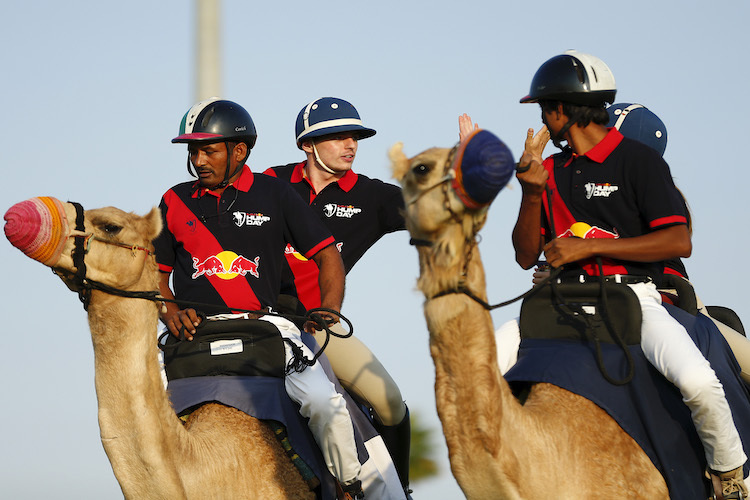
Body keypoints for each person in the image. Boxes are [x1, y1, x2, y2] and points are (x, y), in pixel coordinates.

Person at [513, 51, 747, 497]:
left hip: (633, 299)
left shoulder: (639, 163)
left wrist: (590, 246)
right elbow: (526, 257)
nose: (542, 120)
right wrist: (528, 192)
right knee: (486, 373)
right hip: (560, 306)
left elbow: (679, 243)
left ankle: (732, 480)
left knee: (700, 384)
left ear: (563, 109)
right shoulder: (552, 171)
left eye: (545, 108)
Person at [153, 98, 365, 499]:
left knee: (324, 403)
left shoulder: (275, 193)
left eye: (208, 150)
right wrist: (170, 311)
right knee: (140, 410)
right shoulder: (174, 200)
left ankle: (349, 486)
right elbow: (158, 276)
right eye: (193, 151)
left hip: (268, 328)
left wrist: (328, 310)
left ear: (239, 150)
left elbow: (327, 254)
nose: (199, 160)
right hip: (193, 335)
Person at [263, 97, 413, 497]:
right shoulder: (269, 183)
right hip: (256, 318)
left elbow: (435, 211)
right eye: (337, 137)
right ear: (307, 144)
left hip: (318, 324)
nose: (350, 145)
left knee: (390, 402)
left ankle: (400, 488)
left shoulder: (372, 195)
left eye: (355, 137)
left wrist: (468, 177)